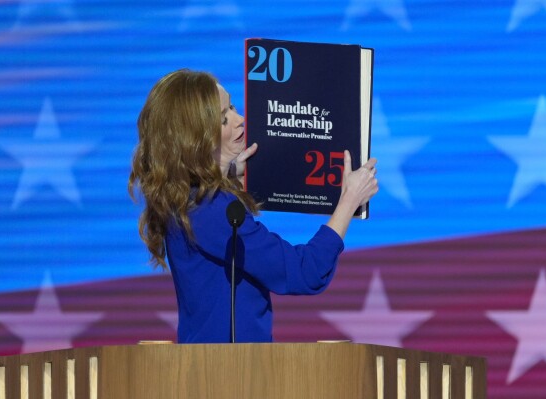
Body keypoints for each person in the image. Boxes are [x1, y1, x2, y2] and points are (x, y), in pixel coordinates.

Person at [129, 69, 378, 343]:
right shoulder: (212, 209)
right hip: (231, 375)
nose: (240, 121)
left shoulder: (186, 201)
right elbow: (305, 272)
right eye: (224, 119)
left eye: (233, 107)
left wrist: (227, 173)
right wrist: (349, 200)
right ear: (194, 139)